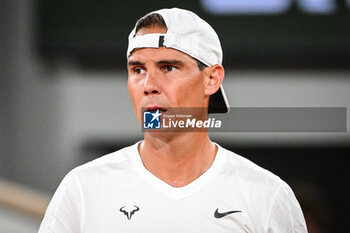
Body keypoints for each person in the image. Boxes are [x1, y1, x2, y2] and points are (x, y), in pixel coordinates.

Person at [38, 8, 308, 233]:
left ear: (211, 78)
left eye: (168, 67)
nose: (149, 85)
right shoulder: (84, 189)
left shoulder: (266, 196)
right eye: (138, 69)